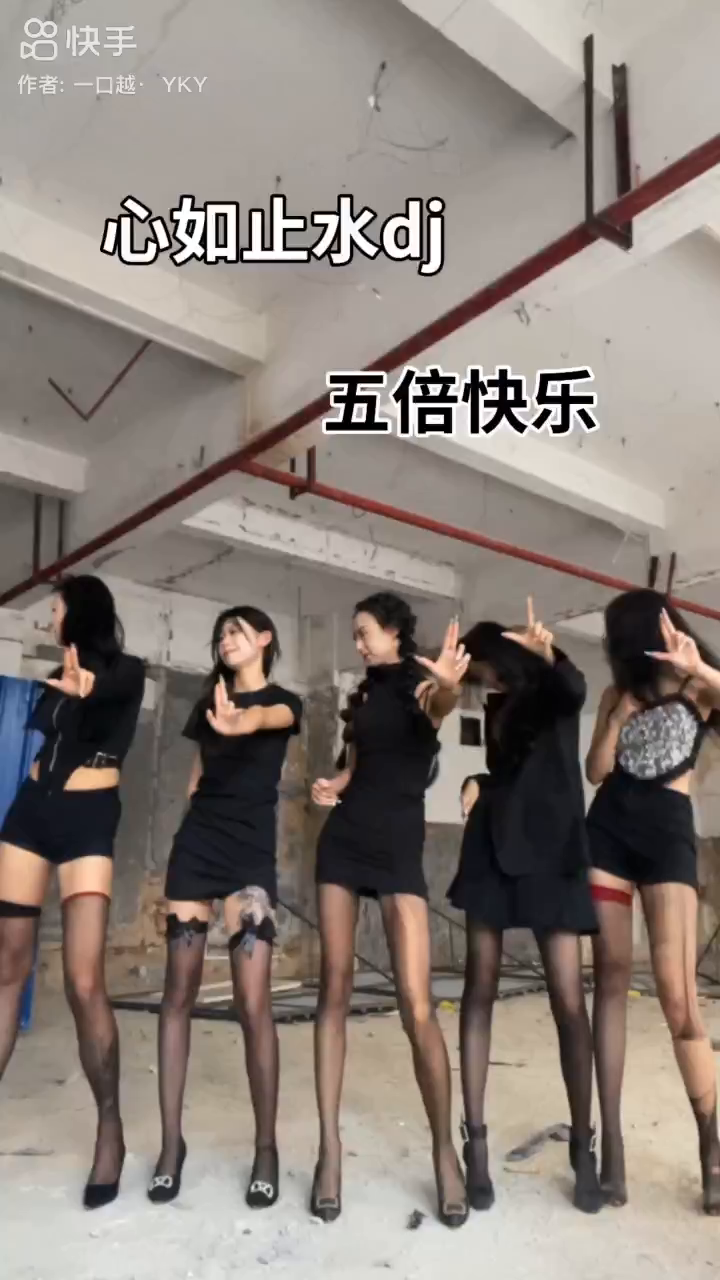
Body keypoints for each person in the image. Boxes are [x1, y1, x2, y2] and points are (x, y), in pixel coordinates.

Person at [310, 592, 470, 1227]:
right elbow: (360, 763)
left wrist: (450, 685)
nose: (357, 643)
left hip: (399, 848)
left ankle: (444, 1152)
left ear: (396, 633)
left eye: (365, 632)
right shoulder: (364, 693)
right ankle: (329, 1150)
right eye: (354, 634)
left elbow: (440, 706)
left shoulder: (418, 684)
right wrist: (335, 784)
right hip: (344, 842)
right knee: (334, 991)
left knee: (416, 1003)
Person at [449, 599, 602, 1215]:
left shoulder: (554, 685)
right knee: (478, 989)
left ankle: (583, 1148)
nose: (480, 681)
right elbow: (513, 774)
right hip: (493, 844)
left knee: (569, 1001)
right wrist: (478, 782)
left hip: (555, 853)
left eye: (482, 669)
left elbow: (574, 689)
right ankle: (476, 1147)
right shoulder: (499, 703)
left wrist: (548, 653)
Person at [148, 606, 302, 1210]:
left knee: (252, 1001)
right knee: (177, 996)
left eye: (236, 629)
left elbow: (268, 716)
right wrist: (188, 829)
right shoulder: (207, 702)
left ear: (264, 637)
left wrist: (243, 722)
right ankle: (170, 1146)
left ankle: (266, 1148)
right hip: (199, 844)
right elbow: (196, 778)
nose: (226, 639)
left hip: (249, 856)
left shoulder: (283, 703)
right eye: (220, 633)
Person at [0, 574, 145, 1209]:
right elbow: (53, 735)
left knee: (83, 981)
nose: (49, 617)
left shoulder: (127, 672)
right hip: (31, 813)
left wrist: (88, 687)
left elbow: (107, 692)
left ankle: (110, 1130)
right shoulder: (52, 677)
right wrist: (67, 685)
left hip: (89, 819)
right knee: (7, 965)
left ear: (80, 612)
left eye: (56, 608)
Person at [585, 589, 720, 1214]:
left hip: (667, 837)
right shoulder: (617, 694)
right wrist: (616, 716)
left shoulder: (698, 687)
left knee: (677, 996)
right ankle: (611, 1149)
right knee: (610, 980)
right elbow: (596, 770)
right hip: (607, 833)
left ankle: (711, 1144)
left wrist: (700, 669)